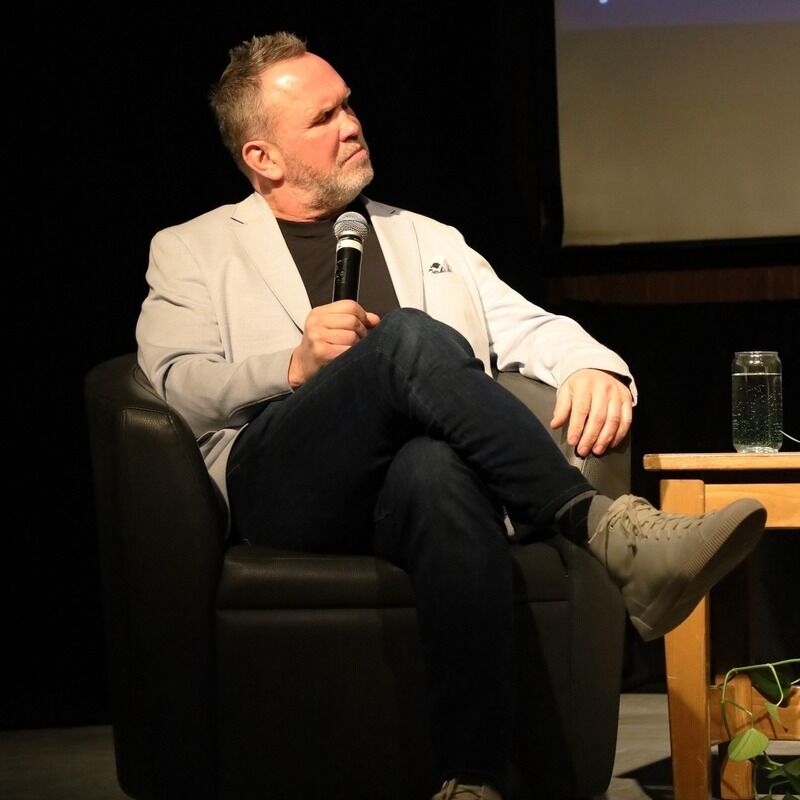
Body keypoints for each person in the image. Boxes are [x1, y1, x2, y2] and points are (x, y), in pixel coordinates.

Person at [135, 32, 766, 800]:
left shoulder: (427, 237)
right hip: (283, 486)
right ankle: (607, 530)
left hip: (408, 492)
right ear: (262, 157)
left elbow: (531, 326)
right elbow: (175, 383)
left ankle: (472, 778)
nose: (352, 125)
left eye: (349, 105)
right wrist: (291, 366)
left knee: (434, 468)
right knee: (406, 338)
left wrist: (593, 366)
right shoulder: (194, 249)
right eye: (324, 117)